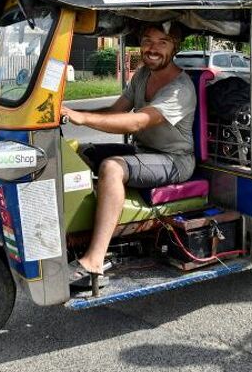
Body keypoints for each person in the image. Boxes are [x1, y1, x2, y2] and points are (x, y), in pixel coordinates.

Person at [60, 22, 196, 287]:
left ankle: (94, 261)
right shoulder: (143, 75)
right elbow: (116, 110)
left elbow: (136, 122)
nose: (152, 48)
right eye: (147, 41)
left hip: (175, 160)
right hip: (144, 151)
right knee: (85, 153)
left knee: (112, 167)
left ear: (174, 48)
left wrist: (81, 118)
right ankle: (78, 231)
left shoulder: (180, 89)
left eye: (162, 42)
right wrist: (66, 111)